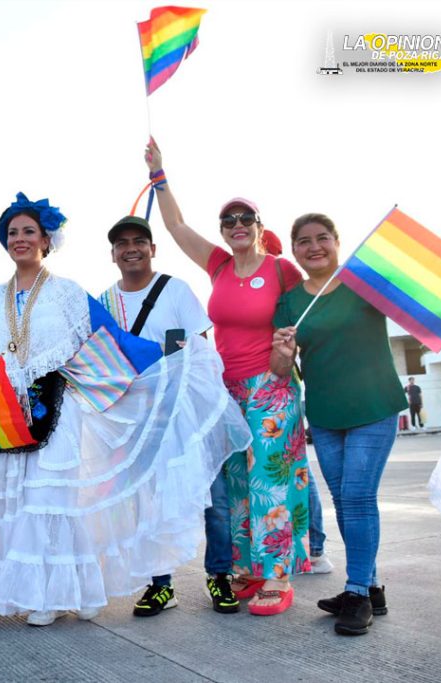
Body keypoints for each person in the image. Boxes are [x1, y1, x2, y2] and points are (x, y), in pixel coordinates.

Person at [0, 193, 251, 626]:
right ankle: (35, 591)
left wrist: (173, 362)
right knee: (20, 501)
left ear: (46, 239)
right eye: (12, 233)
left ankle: (60, 593)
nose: (19, 239)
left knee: (54, 500)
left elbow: (114, 341)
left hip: (60, 412)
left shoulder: (68, 293)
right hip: (10, 415)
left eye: (28, 231)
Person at [145, 139, 311, 616]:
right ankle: (249, 569)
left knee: (272, 481)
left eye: (246, 219)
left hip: (272, 389)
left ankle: (278, 578)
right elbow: (175, 226)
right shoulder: (218, 265)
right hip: (227, 391)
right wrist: (160, 175)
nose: (236, 226)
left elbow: (308, 316)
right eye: (229, 220)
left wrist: (291, 354)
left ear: (260, 227)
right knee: (238, 482)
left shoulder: (281, 269)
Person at [97, 215, 242, 617]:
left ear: (152, 249)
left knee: (213, 498)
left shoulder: (175, 290)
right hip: (138, 422)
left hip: (185, 414)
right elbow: (102, 363)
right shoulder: (105, 301)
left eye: (139, 241)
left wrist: (193, 404)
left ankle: (220, 576)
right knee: (148, 502)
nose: (131, 248)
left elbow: (201, 351)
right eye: (122, 243)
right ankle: (160, 585)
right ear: (112, 254)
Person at [272, 212, 408, 636]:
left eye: (323, 238)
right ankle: (370, 586)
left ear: (336, 242)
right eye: (304, 241)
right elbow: (280, 369)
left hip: (374, 404)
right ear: (294, 250)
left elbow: (410, 304)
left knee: (358, 497)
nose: (314, 246)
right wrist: (282, 347)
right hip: (327, 415)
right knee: (346, 501)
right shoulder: (292, 301)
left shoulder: (363, 285)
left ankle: (355, 594)